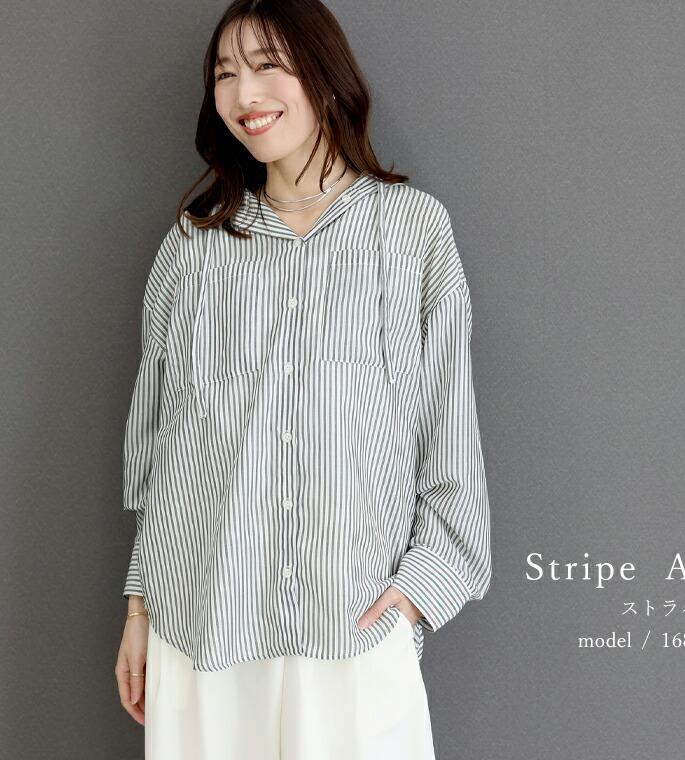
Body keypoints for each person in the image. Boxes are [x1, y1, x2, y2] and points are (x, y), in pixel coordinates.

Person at [114, 1, 491, 757]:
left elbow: (448, 430)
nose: (244, 95)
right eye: (225, 74)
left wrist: (416, 598)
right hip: (203, 629)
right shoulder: (193, 246)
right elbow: (163, 447)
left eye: (267, 66)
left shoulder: (411, 230)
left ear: (324, 75)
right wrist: (139, 608)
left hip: (352, 633)